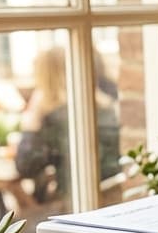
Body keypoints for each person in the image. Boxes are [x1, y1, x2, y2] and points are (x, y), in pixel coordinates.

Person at [14, 46, 122, 206]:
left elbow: (26, 167)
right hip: (113, 198)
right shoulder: (106, 106)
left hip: (78, 203)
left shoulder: (56, 119)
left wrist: (31, 125)